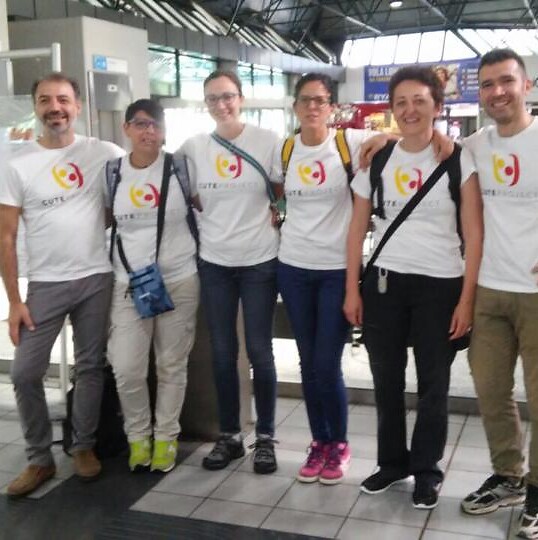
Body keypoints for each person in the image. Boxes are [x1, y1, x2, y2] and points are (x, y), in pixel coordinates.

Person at [344, 65, 483, 508]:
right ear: (391, 110)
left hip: (441, 284)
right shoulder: (377, 158)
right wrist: (352, 289)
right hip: (385, 282)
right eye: (401, 102)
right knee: (386, 379)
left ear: (437, 107)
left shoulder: (458, 159)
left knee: (433, 383)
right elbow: (356, 228)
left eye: (420, 101)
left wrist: (466, 299)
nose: (410, 110)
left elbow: (473, 232)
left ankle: (426, 468)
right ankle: (391, 463)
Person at [0, 72, 124, 497]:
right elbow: (6, 237)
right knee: (25, 373)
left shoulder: (103, 152)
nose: (55, 107)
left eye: (63, 99)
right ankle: (39, 458)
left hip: (95, 278)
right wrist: (14, 301)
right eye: (46, 100)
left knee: (90, 367)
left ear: (78, 106)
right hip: (45, 285)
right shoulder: (17, 164)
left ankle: (82, 446)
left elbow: (131, 192)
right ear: (36, 107)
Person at [277, 72, 397, 485]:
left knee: (326, 363)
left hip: (335, 270)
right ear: (295, 106)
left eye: (320, 100)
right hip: (292, 267)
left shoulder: (348, 142)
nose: (313, 107)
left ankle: (339, 443)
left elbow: (398, 136)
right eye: (306, 100)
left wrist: (384, 138)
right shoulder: (287, 149)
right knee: (307, 362)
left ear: (331, 107)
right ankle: (319, 442)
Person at [179, 70, 281, 474]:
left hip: (259, 260)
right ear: (205, 104)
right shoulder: (193, 148)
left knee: (260, 350)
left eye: (227, 96)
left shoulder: (268, 141)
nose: (221, 105)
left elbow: (282, 187)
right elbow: (182, 191)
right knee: (223, 352)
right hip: (215, 262)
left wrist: (277, 212)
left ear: (241, 98)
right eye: (212, 99)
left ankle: (266, 437)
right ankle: (230, 436)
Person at [458, 48, 538, 539]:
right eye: (487, 84)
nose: (497, 91)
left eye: (506, 80)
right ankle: (509, 475)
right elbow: (426, 144)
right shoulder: (474, 145)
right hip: (490, 289)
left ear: (527, 85)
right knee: (491, 390)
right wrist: (378, 137)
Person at [104, 99, 199, 474]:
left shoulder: (180, 168)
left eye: (155, 125)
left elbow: (203, 209)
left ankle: (166, 438)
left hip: (178, 279)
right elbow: (105, 220)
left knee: (171, 365)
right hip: (129, 284)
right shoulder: (113, 172)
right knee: (127, 367)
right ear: (126, 128)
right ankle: (138, 437)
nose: (149, 131)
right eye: (141, 124)